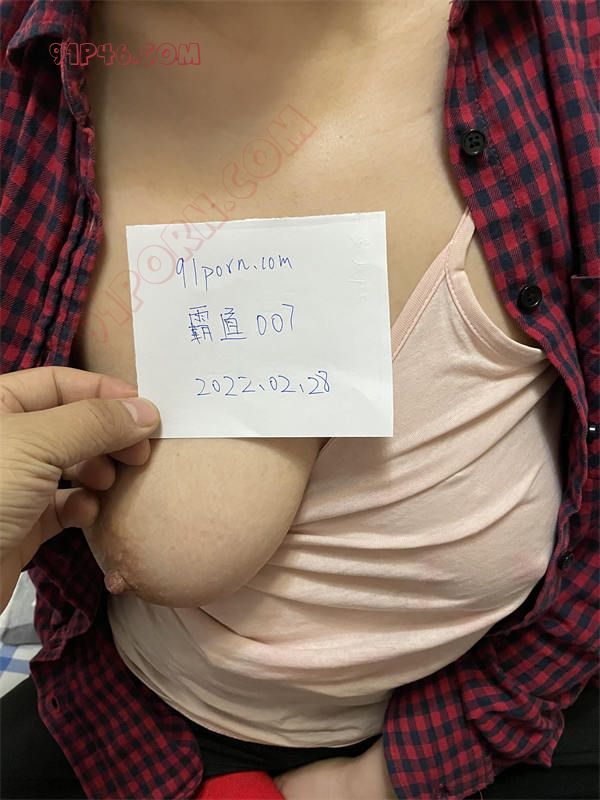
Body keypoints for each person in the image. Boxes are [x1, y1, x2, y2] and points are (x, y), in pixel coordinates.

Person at [1, 1, 598, 799]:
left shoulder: (564, 48)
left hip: (511, 703)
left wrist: (389, 777)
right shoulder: (27, 78)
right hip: (123, 710)